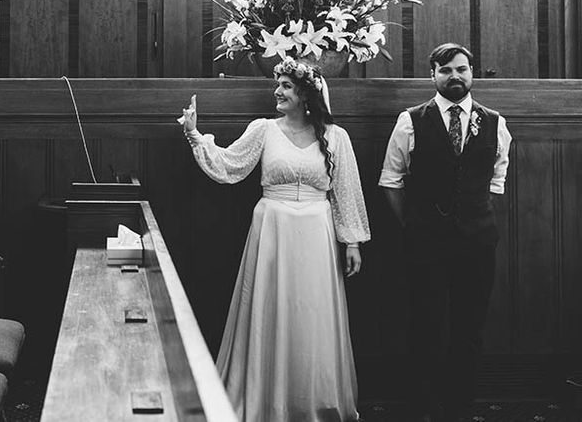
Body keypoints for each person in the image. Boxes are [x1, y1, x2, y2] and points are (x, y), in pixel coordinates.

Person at [179, 56, 370, 422]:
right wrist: (193, 134)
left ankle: (312, 399)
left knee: (312, 314)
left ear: (306, 93)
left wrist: (353, 241)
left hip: (317, 231)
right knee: (270, 308)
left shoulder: (335, 137)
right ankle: (265, 399)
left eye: (285, 85)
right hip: (273, 228)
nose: (277, 91)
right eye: (277, 83)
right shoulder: (263, 130)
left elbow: (346, 191)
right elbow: (229, 166)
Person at [378, 43, 512, 422]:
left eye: (462, 69)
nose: (455, 76)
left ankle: (460, 408)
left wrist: (473, 215)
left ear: (472, 73)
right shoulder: (411, 120)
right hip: (426, 243)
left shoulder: (494, 122)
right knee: (426, 325)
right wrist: (414, 225)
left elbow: (496, 180)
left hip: (478, 242)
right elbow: (391, 180)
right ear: (432, 75)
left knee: (470, 329)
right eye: (446, 70)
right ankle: (422, 407)